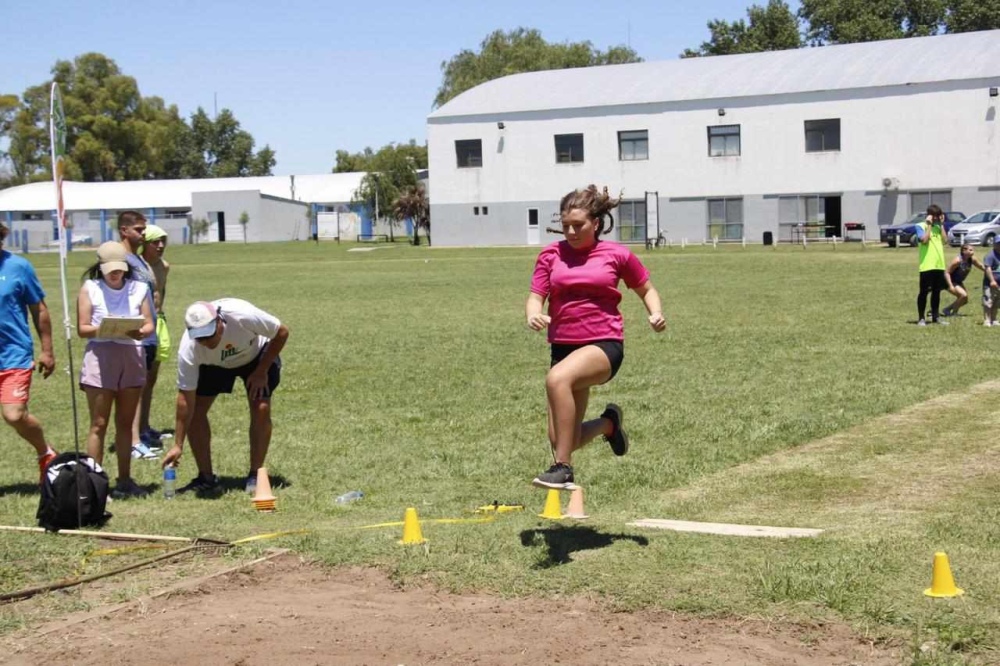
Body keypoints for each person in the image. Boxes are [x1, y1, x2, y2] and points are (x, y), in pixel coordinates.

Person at [526, 185, 665, 489]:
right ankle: (609, 424)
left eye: (579, 225)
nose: (571, 232)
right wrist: (532, 313)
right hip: (563, 347)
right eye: (566, 226)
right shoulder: (550, 254)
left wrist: (654, 313)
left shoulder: (617, 254)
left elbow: (646, 289)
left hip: (603, 344)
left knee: (556, 380)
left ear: (597, 223)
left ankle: (562, 468)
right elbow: (536, 295)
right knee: (563, 436)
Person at [160, 298, 289, 494]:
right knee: (196, 412)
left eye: (209, 335)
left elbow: (281, 332)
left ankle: (256, 474)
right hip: (215, 365)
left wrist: (262, 370)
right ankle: (206, 477)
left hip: (256, 355)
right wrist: (178, 444)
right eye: (200, 338)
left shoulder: (241, 315)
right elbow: (186, 399)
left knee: (260, 407)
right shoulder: (190, 348)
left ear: (219, 322)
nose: (206, 342)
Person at [77, 241, 155, 498]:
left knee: (125, 422)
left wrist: (138, 330)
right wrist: (107, 328)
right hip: (100, 356)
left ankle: (125, 479)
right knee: (99, 423)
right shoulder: (90, 288)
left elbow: (148, 325)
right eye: (111, 269)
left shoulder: (139, 288)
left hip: (131, 356)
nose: (115, 274)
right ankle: (94, 482)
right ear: (101, 267)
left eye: (119, 269)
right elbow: (83, 328)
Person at [0, 222, 58, 481]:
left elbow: (40, 309)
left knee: (14, 414)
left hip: (13, 354)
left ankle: (45, 452)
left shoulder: (18, 267)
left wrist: (47, 350)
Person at [116, 210, 160, 460]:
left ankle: (140, 434)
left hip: (149, 333)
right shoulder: (121, 258)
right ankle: (132, 442)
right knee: (132, 389)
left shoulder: (139, 259)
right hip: (134, 336)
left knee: (141, 386)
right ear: (124, 230)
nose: (144, 234)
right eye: (139, 230)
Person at [138, 224, 171, 446]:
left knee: (151, 380)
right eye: (155, 241)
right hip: (145, 324)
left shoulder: (164, 266)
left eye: (163, 241)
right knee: (139, 380)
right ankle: (137, 430)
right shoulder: (138, 267)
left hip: (161, 322)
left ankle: (145, 426)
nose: (160, 246)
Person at [915, 204, 949, 326]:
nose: (936, 218)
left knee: (937, 292)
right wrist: (929, 225)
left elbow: (945, 241)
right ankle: (921, 318)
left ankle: (936, 316)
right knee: (923, 292)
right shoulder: (920, 226)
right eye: (934, 216)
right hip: (926, 265)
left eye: (938, 216)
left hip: (939, 265)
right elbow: (924, 240)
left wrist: (941, 225)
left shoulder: (939, 227)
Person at [942, 244, 986, 317]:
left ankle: (947, 309)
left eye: (973, 250)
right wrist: (950, 286)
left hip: (958, 281)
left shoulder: (972, 259)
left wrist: (990, 272)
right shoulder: (957, 261)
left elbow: (981, 266)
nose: (973, 252)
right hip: (950, 281)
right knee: (963, 295)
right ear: (964, 251)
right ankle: (954, 313)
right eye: (970, 250)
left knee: (964, 300)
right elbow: (947, 273)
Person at [982, 240, 1000, 326]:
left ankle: (994, 319)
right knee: (988, 301)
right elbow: (987, 268)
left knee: (997, 302)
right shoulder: (990, 255)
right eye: (999, 243)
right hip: (990, 283)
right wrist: (992, 280)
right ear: (994, 244)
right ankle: (987, 320)